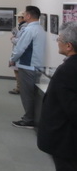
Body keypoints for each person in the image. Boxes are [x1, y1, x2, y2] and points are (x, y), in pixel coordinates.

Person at [37, 22, 77, 170]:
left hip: (66, 139)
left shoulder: (67, 71)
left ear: (69, 46)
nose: (57, 42)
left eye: (59, 39)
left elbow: (72, 108)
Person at [9, 5, 46, 129]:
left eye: (24, 14)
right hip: (36, 65)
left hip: (27, 65)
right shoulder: (40, 29)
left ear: (29, 16)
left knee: (27, 94)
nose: (23, 16)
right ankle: (33, 118)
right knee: (33, 94)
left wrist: (12, 59)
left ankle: (28, 120)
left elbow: (20, 47)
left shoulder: (29, 30)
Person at [9, 12, 27, 95]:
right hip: (18, 51)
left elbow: (19, 41)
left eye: (19, 17)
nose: (18, 19)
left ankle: (19, 88)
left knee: (18, 71)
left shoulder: (24, 27)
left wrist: (12, 39)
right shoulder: (21, 27)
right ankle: (19, 87)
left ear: (23, 18)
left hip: (19, 52)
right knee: (17, 71)